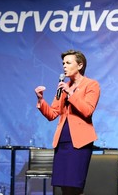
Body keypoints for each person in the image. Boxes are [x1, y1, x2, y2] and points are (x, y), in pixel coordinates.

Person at [35, 50, 100, 195]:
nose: (64, 66)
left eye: (68, 63)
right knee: (63, 186)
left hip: (80, 142)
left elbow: (87, 110)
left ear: (80, 65)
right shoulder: (63, 86)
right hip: (62, 140)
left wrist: (70, 93)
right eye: (63, 63)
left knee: (75, 186)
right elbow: (52, 114)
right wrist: (40, 100)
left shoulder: (91, 85)